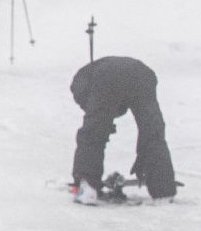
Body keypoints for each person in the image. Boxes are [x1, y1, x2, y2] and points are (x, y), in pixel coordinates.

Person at [69, 55, 177, 204]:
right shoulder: (89, 76)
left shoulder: (80, 85)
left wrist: (102, 123)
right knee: (152, 132)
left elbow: (95, 120)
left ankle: (87, 187)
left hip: (107, 77)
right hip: (142, 74)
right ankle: (163, 191)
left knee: (92, 134)